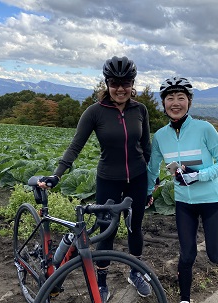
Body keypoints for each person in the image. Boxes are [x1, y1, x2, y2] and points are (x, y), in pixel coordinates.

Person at [38, 56, 152, 302]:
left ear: (133, 83)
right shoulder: (95, 112)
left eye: (126, 82)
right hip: (108, 179)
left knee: (135, 228)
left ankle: (135, 272)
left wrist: (150, 185)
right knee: (105, 233)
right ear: (106, 83)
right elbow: (75, 146)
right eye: (114, 82)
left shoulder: (140, 110)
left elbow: (147, 148)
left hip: (138, 178)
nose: (120, 88)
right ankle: (101, 282)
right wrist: (57, 174)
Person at [147, 76, 218, 303]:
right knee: (186, 255)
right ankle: (185, 300)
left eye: (181, 97)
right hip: (183, 203)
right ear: (164, 103)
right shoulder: (160, 136)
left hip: (212, 200)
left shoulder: (204, 129)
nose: (175, 103)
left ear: (189, 102)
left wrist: (198, 175)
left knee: (214, 254)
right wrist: (148, 191)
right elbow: (152, 168)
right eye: (170, 98)